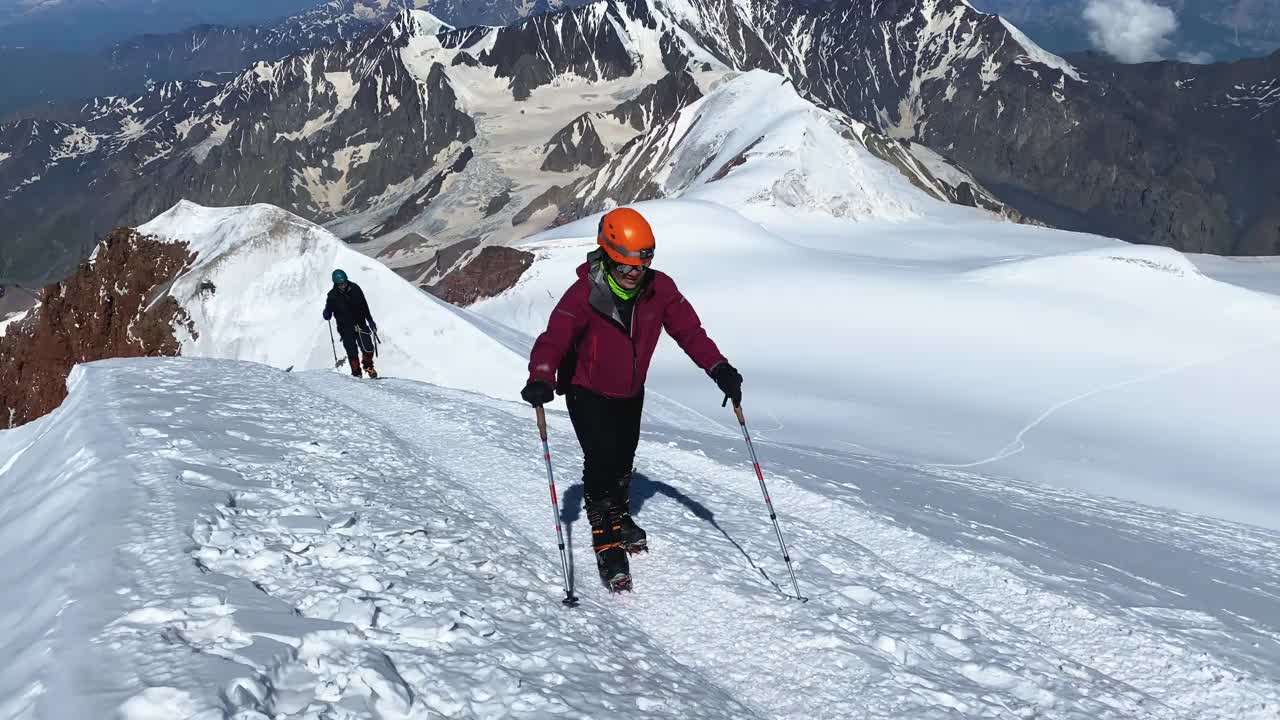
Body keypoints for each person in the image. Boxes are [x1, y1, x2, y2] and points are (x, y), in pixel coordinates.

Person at [520, 207, 743, 592]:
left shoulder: (661, 290)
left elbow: (690, 332)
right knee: (602, 458)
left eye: (640, 265)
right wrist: (541, 375)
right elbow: (555, 337)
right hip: (586, 389)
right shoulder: (584, 295)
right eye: (625, 267)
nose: (633, 274)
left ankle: (618, 512)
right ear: (607, 256)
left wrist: (718, 368)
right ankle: (603, 531)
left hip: (629, 390)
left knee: (623, 457)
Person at [323, 269, 379, 378]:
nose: (343, 285)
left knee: (368, 348)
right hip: (345, 327)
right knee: (351, 351)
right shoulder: (332, 296)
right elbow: (328, 311)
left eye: (344, 283)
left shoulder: (355, 289)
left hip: (360, 323)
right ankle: (356, 372)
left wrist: (370, 320)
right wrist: (327, 313)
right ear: (335, 283)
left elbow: (364, 306)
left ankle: (368, 366)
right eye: (340, 284)